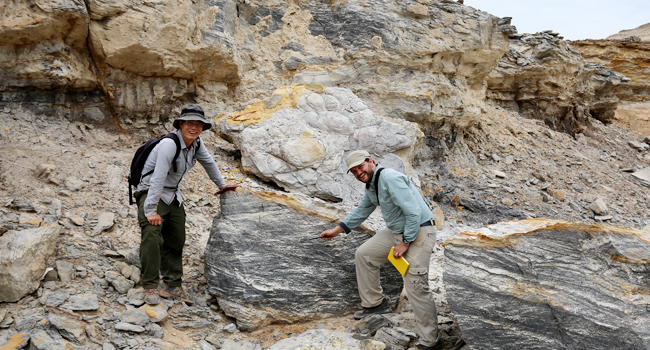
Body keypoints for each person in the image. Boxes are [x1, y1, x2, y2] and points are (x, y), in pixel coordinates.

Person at [320, 150, 441, 350]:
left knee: (416, 286)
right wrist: (337, 229)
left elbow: (413, 212)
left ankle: (431, 341)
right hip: (397, 232)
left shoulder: (389, 178)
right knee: (364, 254)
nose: (358, 173)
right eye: (354, 171)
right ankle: (375, 304)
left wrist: (405, 242)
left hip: (419, 232)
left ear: (370, 161)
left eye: (360, 167)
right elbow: (362, 210)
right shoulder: (372, 185)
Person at [134, 104, 237, 305]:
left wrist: (222, 185)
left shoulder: (196, 144)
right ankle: (150, 286)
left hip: (173, 196)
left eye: (198, 124)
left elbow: (208, 162)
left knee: (176, 238)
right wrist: (150, 210)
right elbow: (157, 178)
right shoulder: (169, 145)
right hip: (151, 193)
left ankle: (172, 285)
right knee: (152, 237)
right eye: (190, 123)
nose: (194, 128)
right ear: (181, 124)